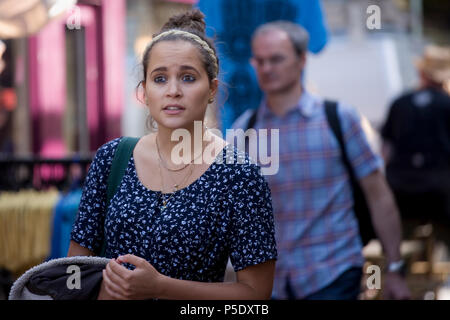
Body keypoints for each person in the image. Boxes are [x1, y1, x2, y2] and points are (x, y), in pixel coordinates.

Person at [68, 9, 277, 300]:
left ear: (212, 89)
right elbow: (73, 271)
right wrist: (96, 290)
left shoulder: (240, 175)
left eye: (188, 78)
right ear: (144, 91)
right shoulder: (112, 158)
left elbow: (256, 295)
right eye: (160, 78)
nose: (173, 91)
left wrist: (160, 287)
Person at [232, 21, 411, 300]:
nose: (266, 69)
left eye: (276, 59)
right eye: (260, 61)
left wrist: (396, 268)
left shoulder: (339, 118)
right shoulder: (244, 130)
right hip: (272, 282)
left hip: (333, 272)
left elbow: (379, 196)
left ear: (302, 60)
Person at [381, 45, 450, 247]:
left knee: (398, 240)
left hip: (401, 188)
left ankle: (397, 269)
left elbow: (386, 150)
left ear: (422, 73)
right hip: (442, 189)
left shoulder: (400, 103)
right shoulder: (447, 104)